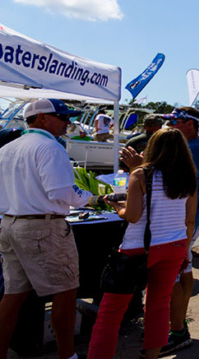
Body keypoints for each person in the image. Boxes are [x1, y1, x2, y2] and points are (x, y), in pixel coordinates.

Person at [87, 128, 197, 359]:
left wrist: (118, 207)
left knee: (111, 311)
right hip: (175, 244)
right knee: (158, 306)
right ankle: (151, 356)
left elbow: (133, 215)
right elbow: (189, 219)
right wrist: (185, 249)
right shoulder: (188, 176)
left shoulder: (140, 174)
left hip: (139, 247)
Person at [0, 99, 97, 359]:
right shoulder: (50, 147)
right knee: (65, 292)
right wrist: (89, 197)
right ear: (41, 118)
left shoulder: (8, 148)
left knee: (13, 295)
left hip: (10, 224)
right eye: (62, 116)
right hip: (43, 228)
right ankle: (67, 356)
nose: (68, 122)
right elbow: (61, 192)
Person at [119, 106, 199, 354]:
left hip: (179, 225)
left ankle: (178, 329)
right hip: (181, 224)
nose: (169, 126)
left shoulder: (193, 149)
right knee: (179, 276)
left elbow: (173, 182)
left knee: (175, 280)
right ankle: (178, 327)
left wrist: (141, 167)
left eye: (175, 121)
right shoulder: (191, 146)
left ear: (190, 124)